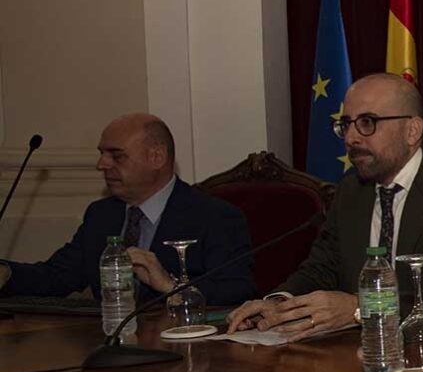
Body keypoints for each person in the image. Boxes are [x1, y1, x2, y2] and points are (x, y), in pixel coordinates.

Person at [225, 73, 423, 342]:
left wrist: (362, 309)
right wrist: (278, 304)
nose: (351, 138)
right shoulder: (350, 192)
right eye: (346, 124)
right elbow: (321, 269)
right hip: (361, 355)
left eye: (367, 122)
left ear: (412, 131)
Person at [0, 113, 255, 307]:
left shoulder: (215, 216)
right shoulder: (101, 215)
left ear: (157, 157)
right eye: (102, 154)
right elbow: (56, 277)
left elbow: (237, 290)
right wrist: (6, 273)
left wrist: (171, 285)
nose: (101, 164)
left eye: (116, 156)